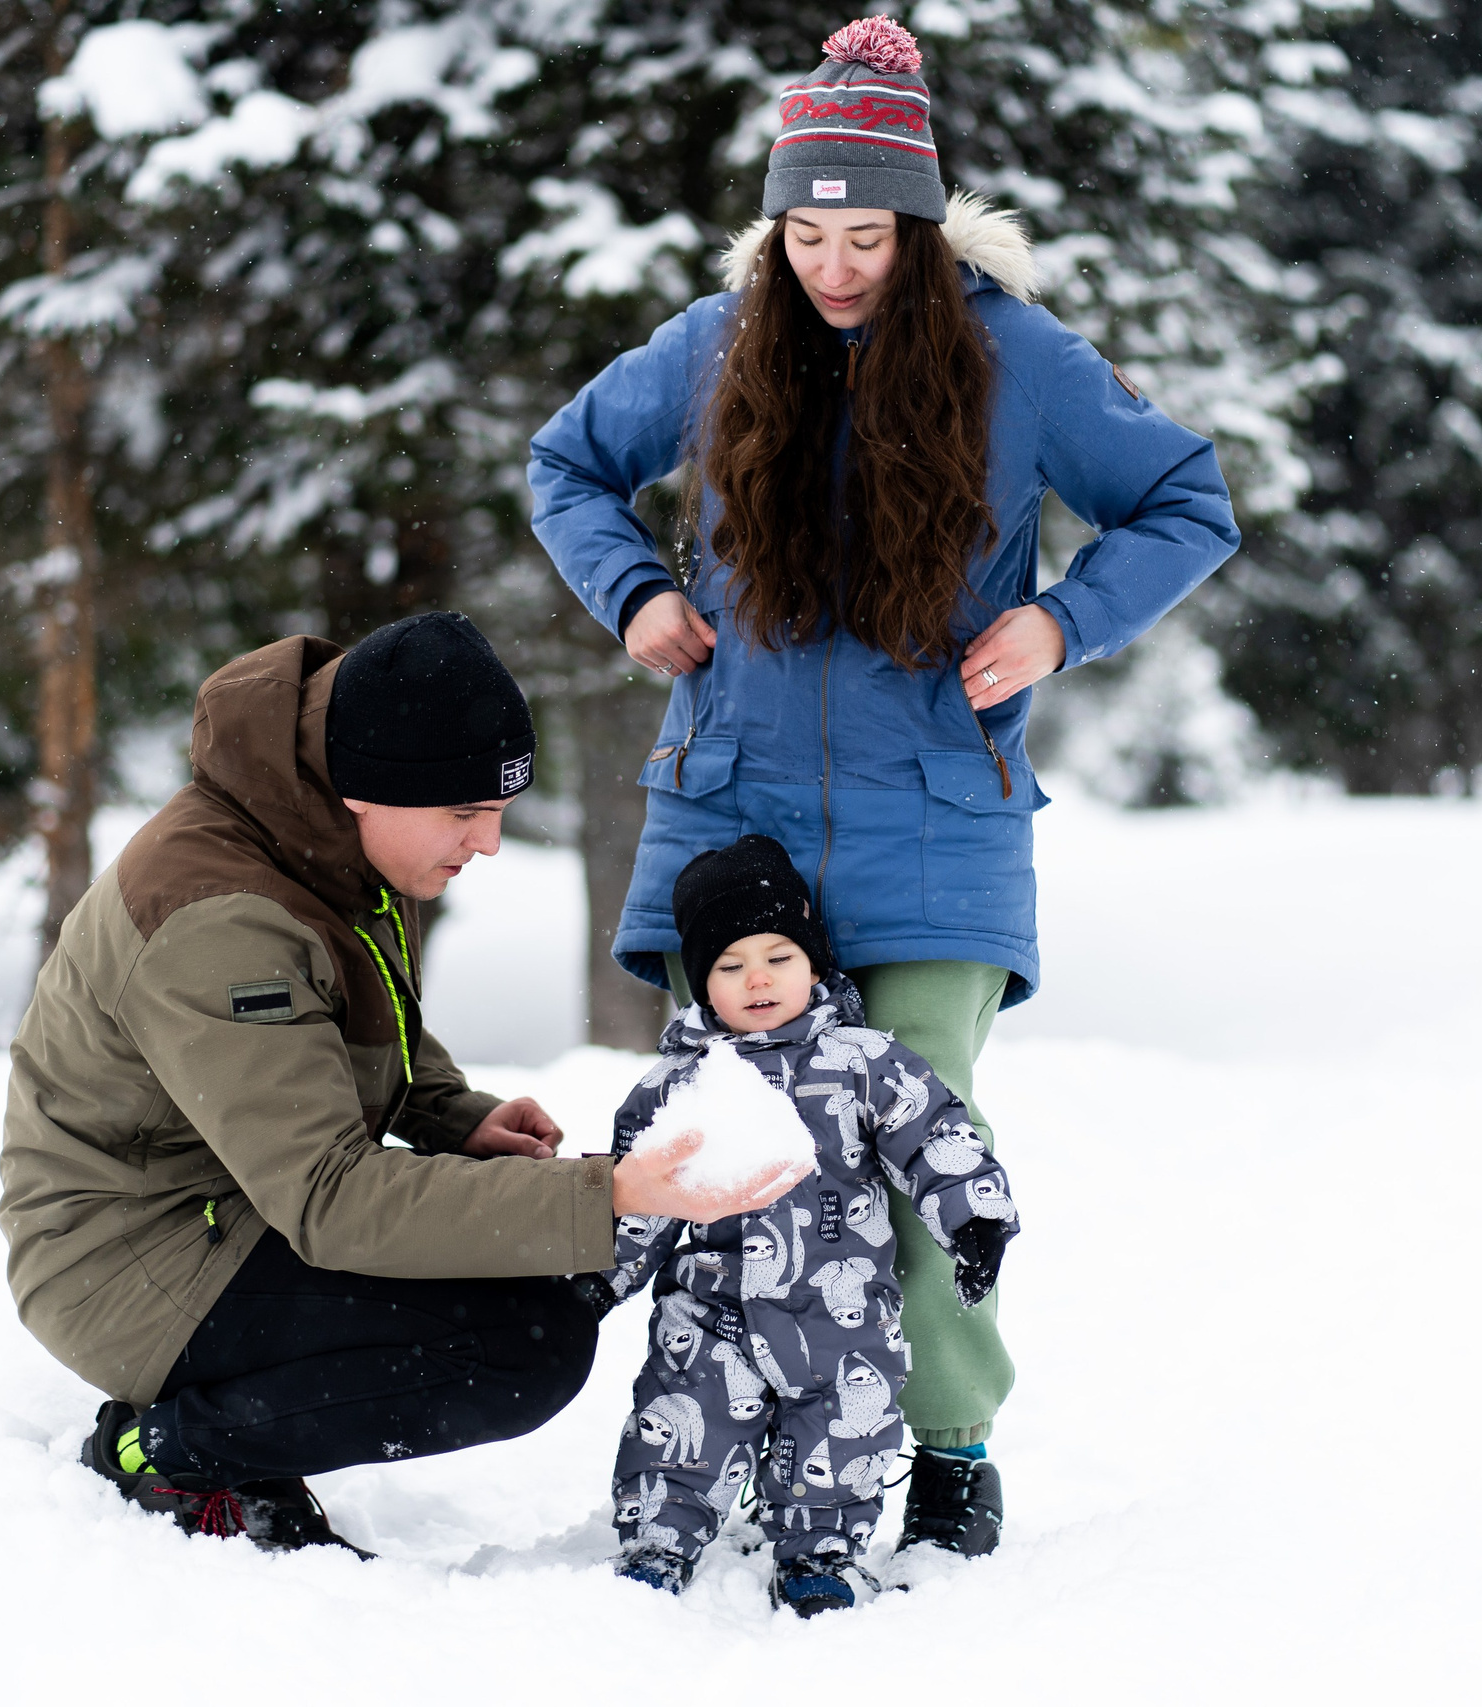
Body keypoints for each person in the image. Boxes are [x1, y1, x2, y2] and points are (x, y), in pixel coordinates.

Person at [528, 16, 1238, 1552]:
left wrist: (1058, 615)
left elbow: (1187, 500)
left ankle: (945, 1440)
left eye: (866, 236)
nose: (835, 267)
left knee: (919, 1144)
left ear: (919, 230)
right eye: (806, 233)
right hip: (732, 805)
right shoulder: (717, 348)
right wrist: (634, 592)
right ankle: (718, 1436)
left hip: (938, 823)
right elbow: (566, 464)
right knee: (730, 1144)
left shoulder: (1016, 359)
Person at [0, 616, 807, 1552]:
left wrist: (451, 1116)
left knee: (535, 1286)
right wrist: (608, 1193)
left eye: (499, 811)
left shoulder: (316, 835)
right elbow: (331, 1197)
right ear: (365, 790)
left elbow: (345, 1017)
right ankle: (166, 1451)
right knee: (520, 1347)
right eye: (464, 814)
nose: (490, 842)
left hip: (230, 1204)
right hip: (127, 1258)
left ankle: (228, 1428)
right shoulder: (219, 921)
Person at [595, 836, 1019, 1615]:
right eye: (730, 965)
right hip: (713, 1308)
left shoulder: (863, 1059)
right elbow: (640, 1192)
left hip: (840, 1310)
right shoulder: (678, 1085)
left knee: (841, 1437)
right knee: (680, 1425)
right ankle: (657, 1538)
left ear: (814, 964)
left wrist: (976, 1218)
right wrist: (598, 1273)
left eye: (778, 955)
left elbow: (931, 1135)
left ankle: (822, 1551)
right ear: (704, 985)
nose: (757, 978)